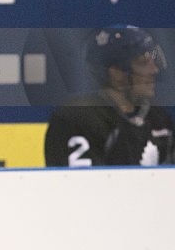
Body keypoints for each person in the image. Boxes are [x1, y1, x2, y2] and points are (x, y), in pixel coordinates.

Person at [44, 26, 173, 167]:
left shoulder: (158, 119)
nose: (154, 70)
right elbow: (82, 185)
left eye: (153, 62)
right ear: (117, 73)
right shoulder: (77, 119)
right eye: (143, 63)